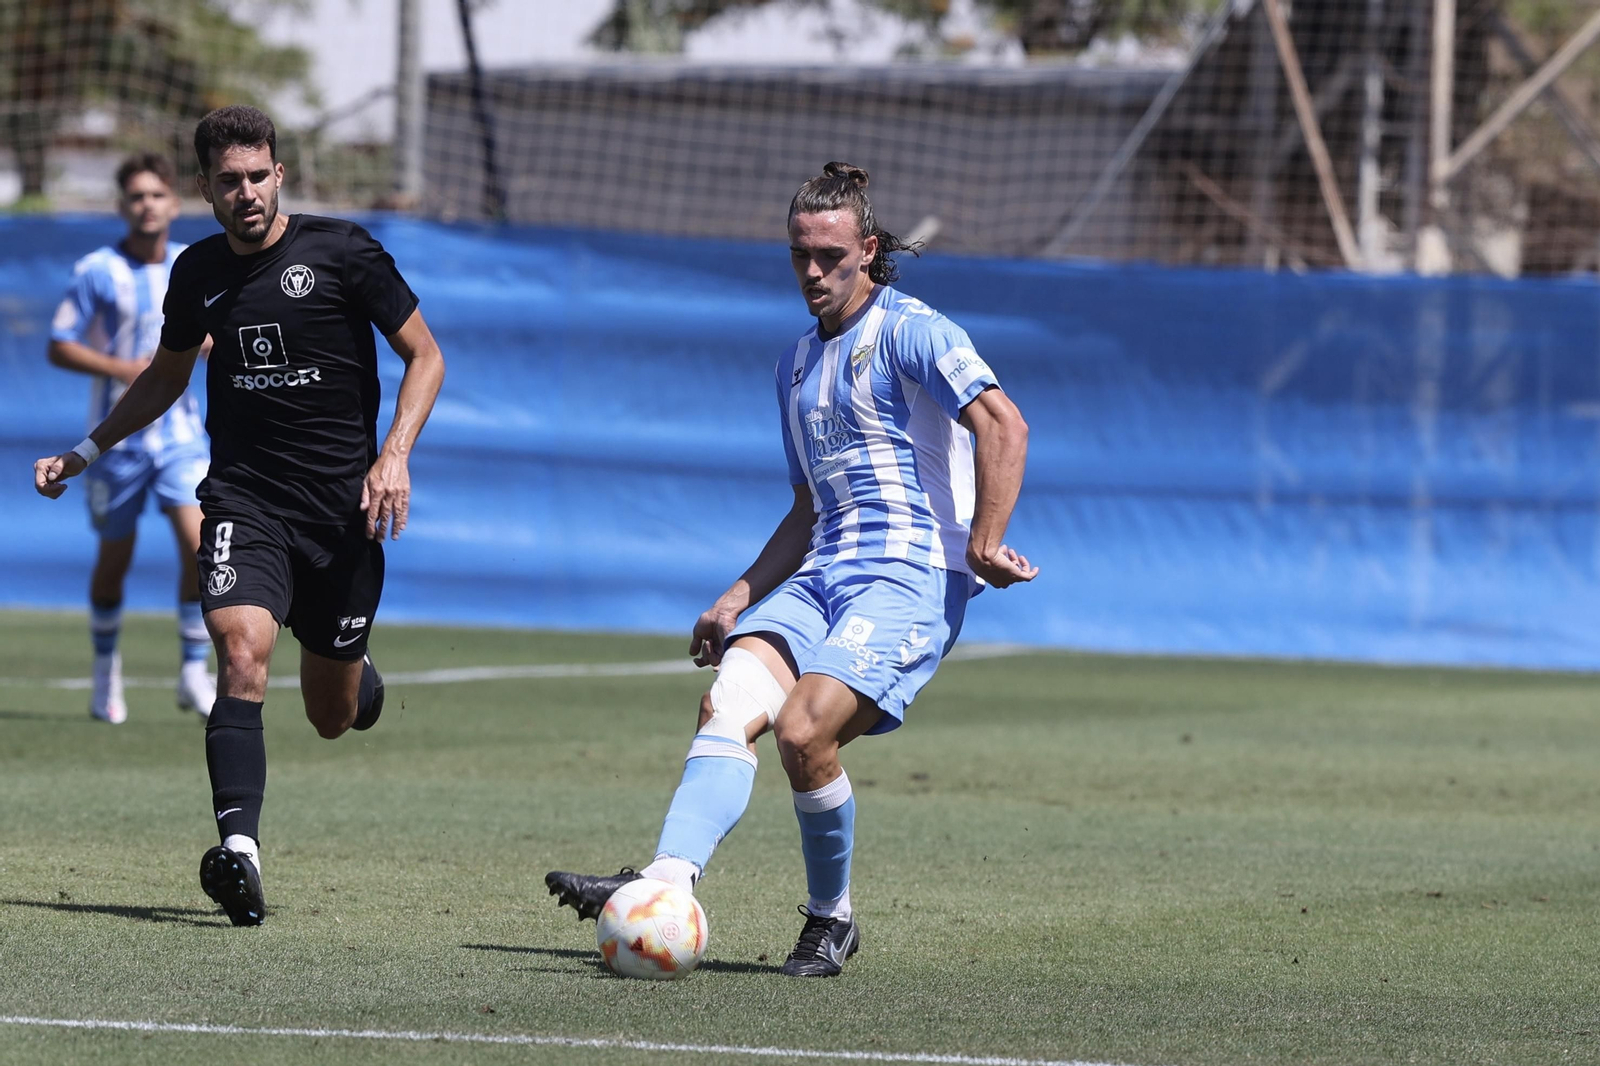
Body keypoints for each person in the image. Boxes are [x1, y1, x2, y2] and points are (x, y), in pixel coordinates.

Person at [546, 162, 1036, 976]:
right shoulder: (796, 366)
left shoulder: (916, 330)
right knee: (730, 698)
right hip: (823, 572)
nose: (812, 271)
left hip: (908, 575)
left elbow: (1004, 425)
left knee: (804, 732)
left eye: (830, 256)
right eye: (799, 253)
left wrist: (985, 542)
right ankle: (662, 884)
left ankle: (830, 918)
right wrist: (739, 594)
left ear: (868, 250)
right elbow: (807, 508)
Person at [33, 105, 446, 928]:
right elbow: (164, 376)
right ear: (205, 189)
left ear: (279, 175)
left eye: (258, 176)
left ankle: (358, 679)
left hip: (341, 516)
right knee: (242, 651)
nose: (247, 193)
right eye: (229, 181)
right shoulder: (196, 273)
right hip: (244, 500)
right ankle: (240, 853)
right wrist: (86, 450)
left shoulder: (344, 251)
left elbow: (425, 355)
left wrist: (394, 452)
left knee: (330, 717)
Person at [49, 153, 215, 724]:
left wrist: (201, 345)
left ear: (176, 202)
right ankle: (104, 675)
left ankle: (195, 670)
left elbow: (220, 331)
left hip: (182, 438)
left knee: (201, 546)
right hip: (117, 442)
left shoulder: (194, 266)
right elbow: (59, 342)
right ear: (123, 206)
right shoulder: (97, 269)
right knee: (113, 561)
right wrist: (125, 371)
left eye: (157, 195)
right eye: (137, 196)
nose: (148, 205)